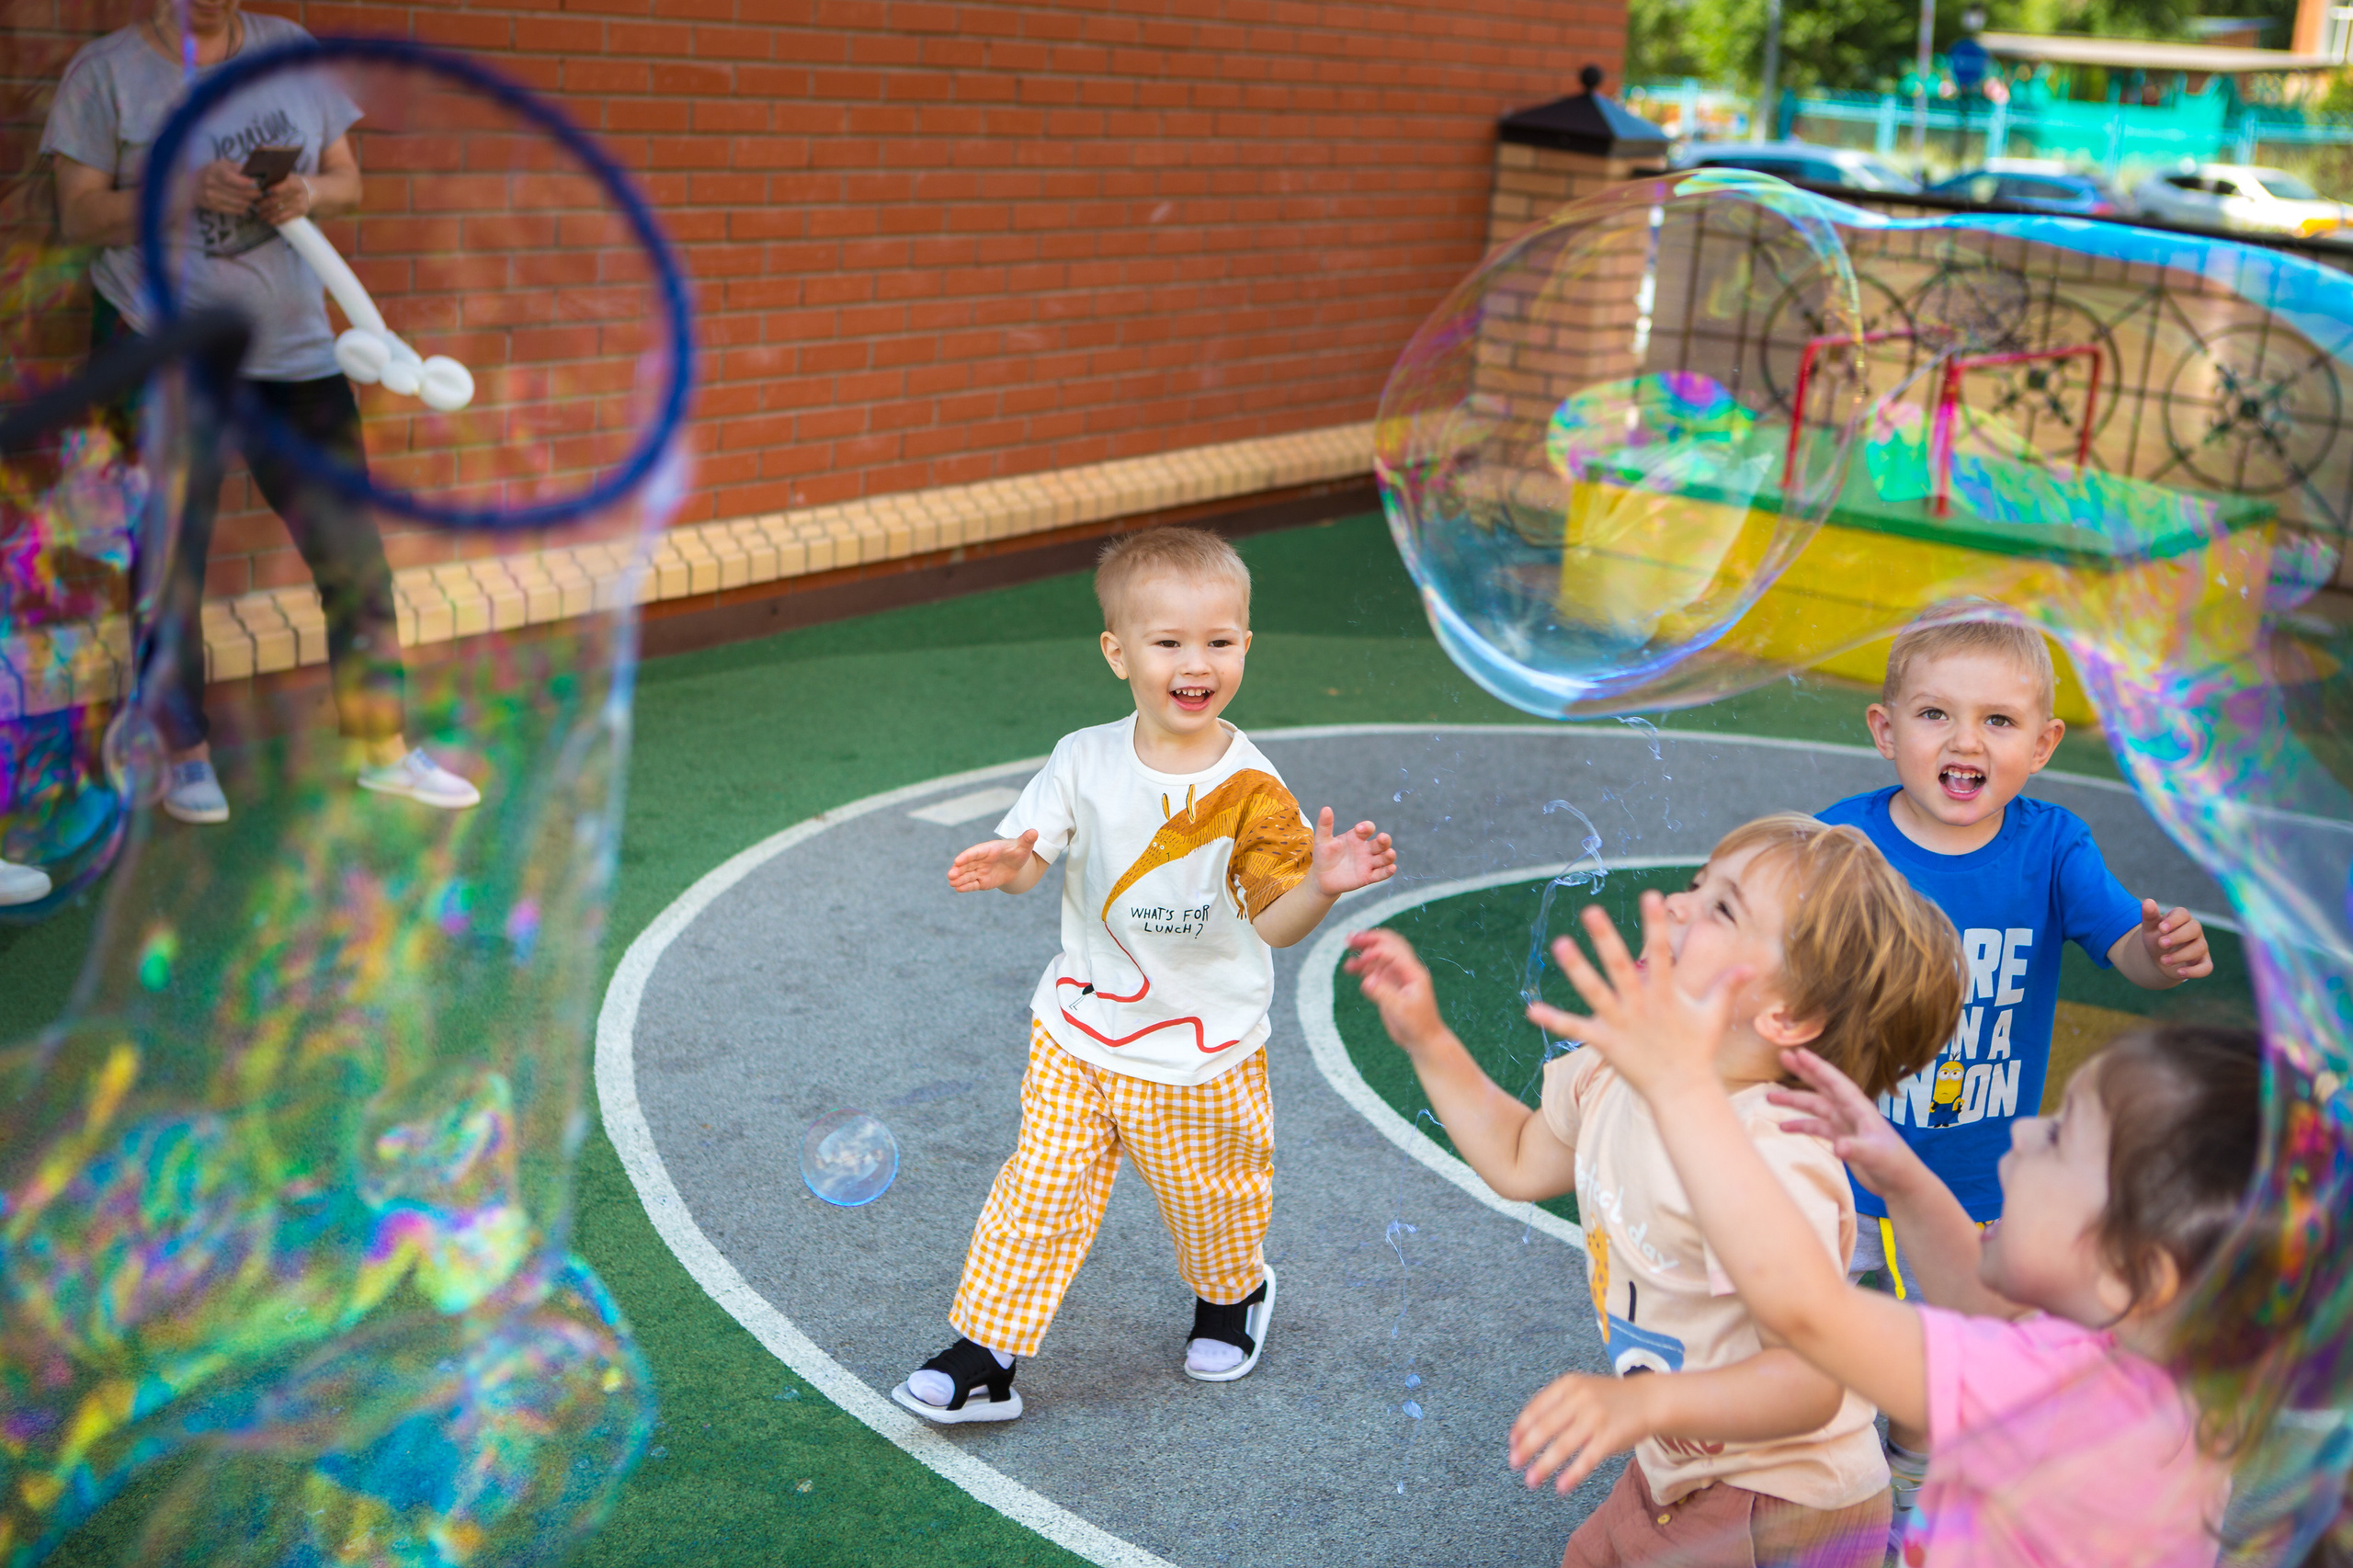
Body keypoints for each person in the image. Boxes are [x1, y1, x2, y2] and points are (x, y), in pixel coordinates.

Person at [1540, 895, 2273, 1568]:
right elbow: (1975, 1300)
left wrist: (1683, 1093)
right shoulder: (2140, 1365)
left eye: (2058, 1138)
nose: (2023, 1131)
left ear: (2135, 1269)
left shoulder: (2049, 1391)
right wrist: (1907, 1179)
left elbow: (1809, 1314)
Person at [1347, 814, 1965, 1568]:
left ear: (1787, 1016)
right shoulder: (1613, 1071)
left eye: (1723, 909)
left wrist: (1644, 1405)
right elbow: (1516, 1159)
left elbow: (1813, 1382)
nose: (1675, 905)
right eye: (1698, 884)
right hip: (1681, 1463)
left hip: (1792, 1502)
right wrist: (1429, 1040)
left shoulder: (1775, 1153)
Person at [891, 526, 1394, 1422]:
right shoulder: (1081, 757)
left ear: (1245, 643)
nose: (1194, 661)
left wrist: (1320, 884)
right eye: (1167, 641)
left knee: (1213, 1199)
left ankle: (1231, 1295)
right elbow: (1035, 854)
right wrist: (1011, 861)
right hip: (1080, 1028)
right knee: (1038, 1189)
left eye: (1219, 639)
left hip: (1204, 1047)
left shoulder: (1254, 788)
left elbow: (1275, 924)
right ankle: (985, 1355)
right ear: (1117, 652)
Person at [1815, 617, 2211, 1539]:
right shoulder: (1838, 841)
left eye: (1997, 721)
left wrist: (2161, 951)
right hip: (1834, 1159)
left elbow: (2123, 946)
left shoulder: (2052, 845)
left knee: (1933, 1356)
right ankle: (1818, 1474)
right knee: (1816, 1333)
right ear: (1883, 730)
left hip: (1973, 1184)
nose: (1963, 741)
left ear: (2041, 746)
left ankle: (1910, 1479)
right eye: (1933, 714)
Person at [41, 0, 479, 825]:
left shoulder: (290, 51)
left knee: (351, 551)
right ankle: (183, 752)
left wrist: (308, 191)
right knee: (168, 560)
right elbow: (77, 215)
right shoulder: (106, 73)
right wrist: (185, 191)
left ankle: (382, 747)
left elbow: (349, 181)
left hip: (297, 357)